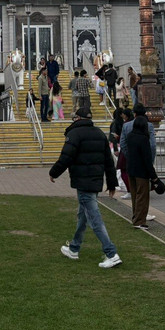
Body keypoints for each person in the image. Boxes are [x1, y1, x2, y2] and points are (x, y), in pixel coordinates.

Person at [49, 106, 122, 269]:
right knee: (83, 215)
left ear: (78, 118)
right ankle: (74, 248)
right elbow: (109, 162)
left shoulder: (74, 134)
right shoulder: (99, 134)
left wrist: (54, 172)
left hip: (83, 181)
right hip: (95, 180)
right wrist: (111, 184)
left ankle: (111, 253)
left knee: (94, 218)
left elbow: (66, 156)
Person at [125, 114, 158, 230]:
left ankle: (135, 217)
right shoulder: (144, 139)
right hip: (141, 171)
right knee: (142, 196)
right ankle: (139, 221)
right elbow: (147, 159)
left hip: (131, 169)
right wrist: (153, 176)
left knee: (135, 196)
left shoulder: (130, 136)